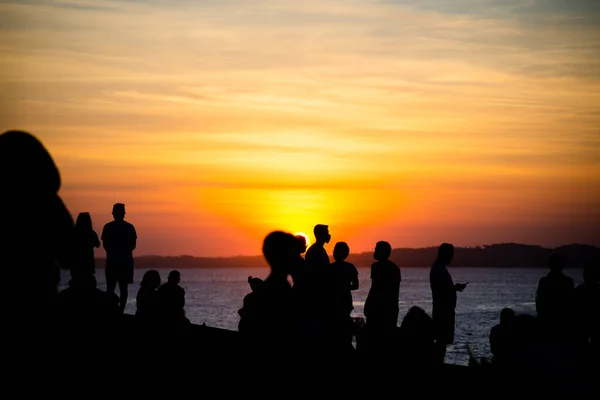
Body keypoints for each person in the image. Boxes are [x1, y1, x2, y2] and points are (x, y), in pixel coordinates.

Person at [430, 243, 467, 365]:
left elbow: (442, 289)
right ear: (444, 255)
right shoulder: (439, 269)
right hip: (443, 312)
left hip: (444, 311)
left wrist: (453, 288)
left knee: (442, 341)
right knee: (441, 341)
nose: (451, 258)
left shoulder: (439, 269)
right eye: (450, 255)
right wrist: (453, 288)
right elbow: (440, 291)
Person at [101, 203, 137, 313]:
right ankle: (121, 310)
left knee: (110, 288)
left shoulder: (107, 227)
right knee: (123, 288)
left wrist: (113, 252)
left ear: (113, 213)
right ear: (124, 214)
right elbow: (133, 245)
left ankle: (109, 310)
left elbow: (105, 245)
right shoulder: (130, 227)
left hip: (112, 261)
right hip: (125, 261)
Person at [364, 241, 400, 332]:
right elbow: (395, 291)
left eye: (376, 249)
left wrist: (368, 304)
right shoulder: (395, 268)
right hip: (391, 307)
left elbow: (375, 288)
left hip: (377, 308)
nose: (374, 251)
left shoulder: (376, 267)